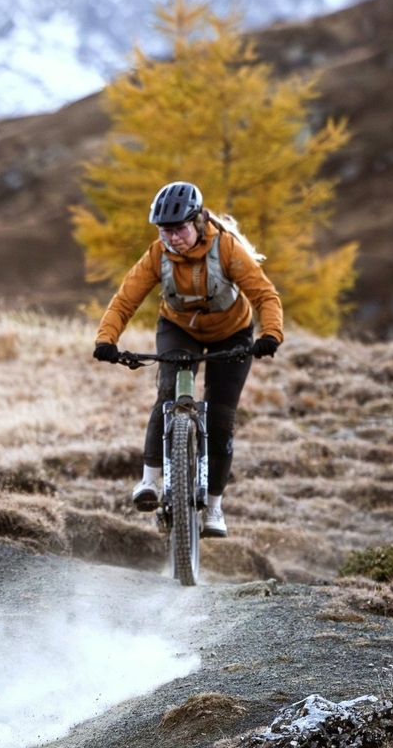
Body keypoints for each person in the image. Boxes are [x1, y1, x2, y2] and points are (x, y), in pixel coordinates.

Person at [91, 181, 284, 538]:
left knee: (221, 418)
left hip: (233, 333)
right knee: (168, 394)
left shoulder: (226, 249)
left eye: (179, 229)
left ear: (197, 222)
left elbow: (265, 296)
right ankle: (150, 481)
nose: (172, 238)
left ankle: (213, 507)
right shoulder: (157, 255)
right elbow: (124, 301)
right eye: (165, 231)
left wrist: (270, 334)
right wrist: (106, 339)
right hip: (179, 330)